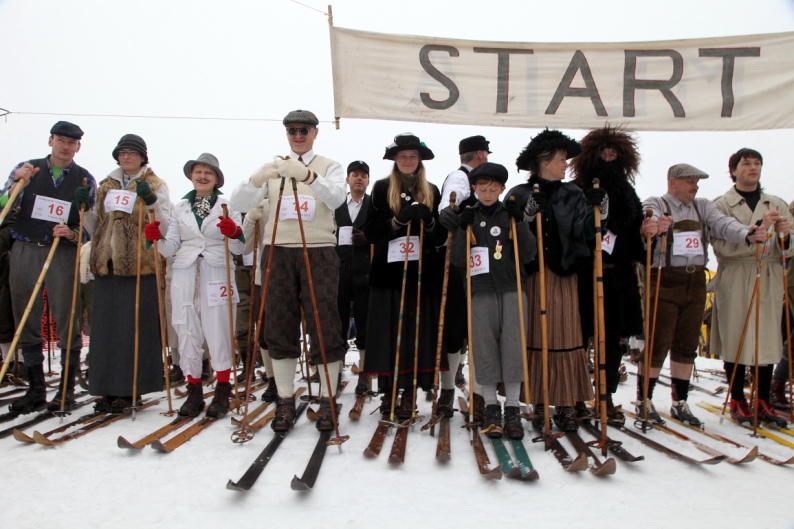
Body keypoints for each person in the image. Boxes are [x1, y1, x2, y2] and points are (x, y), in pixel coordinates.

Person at [239, 109, 347, 432]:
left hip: (318, 251)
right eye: (291, 130)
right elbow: (239, 198)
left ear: (315, 132)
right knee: (279, 322)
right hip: (278, 251)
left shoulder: (330, 166)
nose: (297, 136)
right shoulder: (274, 168)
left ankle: (328, 399)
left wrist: (307, 176)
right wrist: (257, 180)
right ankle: (285, 400)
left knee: (324, 320)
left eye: (303, 130)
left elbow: (338, 197)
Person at [640, 163, 769, 426]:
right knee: (657, 341)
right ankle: (645, 399)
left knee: (687, 344)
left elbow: (724, 225)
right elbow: (644, 222)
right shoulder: (657, 202)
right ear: (673, 182)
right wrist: (651, 227)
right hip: (664, 278)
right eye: (690, 181)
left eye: (696, 181)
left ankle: (679, 401)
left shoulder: (703, 206)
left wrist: (748, 234)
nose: (695, 186)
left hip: (695, 280)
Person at [505, 129, 607, 432]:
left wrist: (599, 211)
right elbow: (508, 235)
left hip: (563, 276)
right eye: (562, 159)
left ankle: (564, 404)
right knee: (535, 334)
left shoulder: (573, 193)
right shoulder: (519, 194)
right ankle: (538, 399)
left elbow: (586, 233)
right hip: (532, 277)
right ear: (545, 162)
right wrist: (524, 217)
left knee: (565, 335)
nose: (566, 165)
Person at [2, 122, 96, 414]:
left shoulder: (85, 180)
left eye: (71, 142)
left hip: (62, 253)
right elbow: (4, 203)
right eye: (60, 140)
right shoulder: (29, 169)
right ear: (50, 141)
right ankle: (36, 388)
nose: (65, 147)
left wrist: (72, 233)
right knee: (25, 313)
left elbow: (89, 226)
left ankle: (65, 390)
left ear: (78, 146)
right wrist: (18, 184)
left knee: (66, 314)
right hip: (27, 247)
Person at [145, 153, 244, 418]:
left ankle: (223, 388)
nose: (202, 176)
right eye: (198, 172)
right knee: (186, 329)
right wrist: (155, 238)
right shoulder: (181, 208)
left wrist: (233, 231)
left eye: (208, 173)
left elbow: (239, 246)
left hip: (217, 269)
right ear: (191, 176)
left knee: (219, 329)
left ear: (215, 179)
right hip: (186, 272)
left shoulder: (226, 205)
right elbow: (170, 248)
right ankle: (194, 391)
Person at [81, 134, 169, 413]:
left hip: (138, 264)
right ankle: (106, 388)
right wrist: (83, 208)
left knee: (134, 328)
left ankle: (131, 389)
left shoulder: (155, 184)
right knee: (106, 329)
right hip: (107, 263)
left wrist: (151, 200)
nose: (127, 157)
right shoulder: (106, 185)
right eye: (123, 152)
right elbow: (96, 223)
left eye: (133, 153)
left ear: (143, 157)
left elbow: (165, 225)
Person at [362, 133, 447, 419]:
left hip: (422, 274)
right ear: (395, 160)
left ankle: (410, 392)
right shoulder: (381, 188)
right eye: (402, 156)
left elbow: (441, 237)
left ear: (419, 159)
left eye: (412, 156)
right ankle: (389, 391)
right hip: (389, 273)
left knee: (416, 332)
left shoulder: (432, 189)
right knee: (389, 332)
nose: (408, 160)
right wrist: (398, 221)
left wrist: (430, 221)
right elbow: (370, 232)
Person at [450, 162, 535, 439]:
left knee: (513, 344)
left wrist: (520, 221)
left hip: (512, 287)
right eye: (482, 188)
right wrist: (462, 229)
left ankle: (512, 407)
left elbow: (529, 253)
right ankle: (490, 407)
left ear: (502, 189)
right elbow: (458, 260)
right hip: (480, 290)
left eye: (493, 188)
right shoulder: (470, 215)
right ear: (473, 189)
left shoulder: (509, 214)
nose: (487, 193)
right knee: (484, 346)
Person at [710, 148, 792, 426]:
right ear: (733, 170)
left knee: (767, 336)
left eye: (757, 163)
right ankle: (737, 397)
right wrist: (757, 229)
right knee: (737, 332)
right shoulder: (721, 205)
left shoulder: (775, 203)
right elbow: (721, 246)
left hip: (768, 273)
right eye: (746, 164)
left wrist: (784, 236)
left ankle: (762, 398)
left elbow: (788, 250)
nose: (753, 168)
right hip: (737, 274)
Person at [570, 126, 646, 427]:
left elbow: (635, 220)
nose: (608, 158)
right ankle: (576, 395)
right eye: (603, 152)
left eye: (613, 153)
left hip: (617, 276)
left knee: (613, 339)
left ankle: (606, 395)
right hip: (585, 275)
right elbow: (573, 225)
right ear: (591, 154)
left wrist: (613, 221)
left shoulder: (626, 190)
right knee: (580, 336)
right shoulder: (577, 187)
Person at [437, 135, 490, 418]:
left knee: (478, 329)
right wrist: (448, 210)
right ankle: (447, 390)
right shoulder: (461, 178)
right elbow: (450, 198)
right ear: (480, 155)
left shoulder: (485, 182)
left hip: (480, 261)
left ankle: (479, 393)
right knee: (456, 329)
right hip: (461, 263)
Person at [335, 160, 371, 394]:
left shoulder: (374, 205)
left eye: (363, 175)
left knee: (364, 320)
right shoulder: (336, 204)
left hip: (365, 269)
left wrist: (369, 238)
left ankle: (365, 373)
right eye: (354, 175)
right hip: (339, 267)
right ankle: (335, 371)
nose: (359, 179)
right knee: (337, 320)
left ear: (368, 181)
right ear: (347, 179)